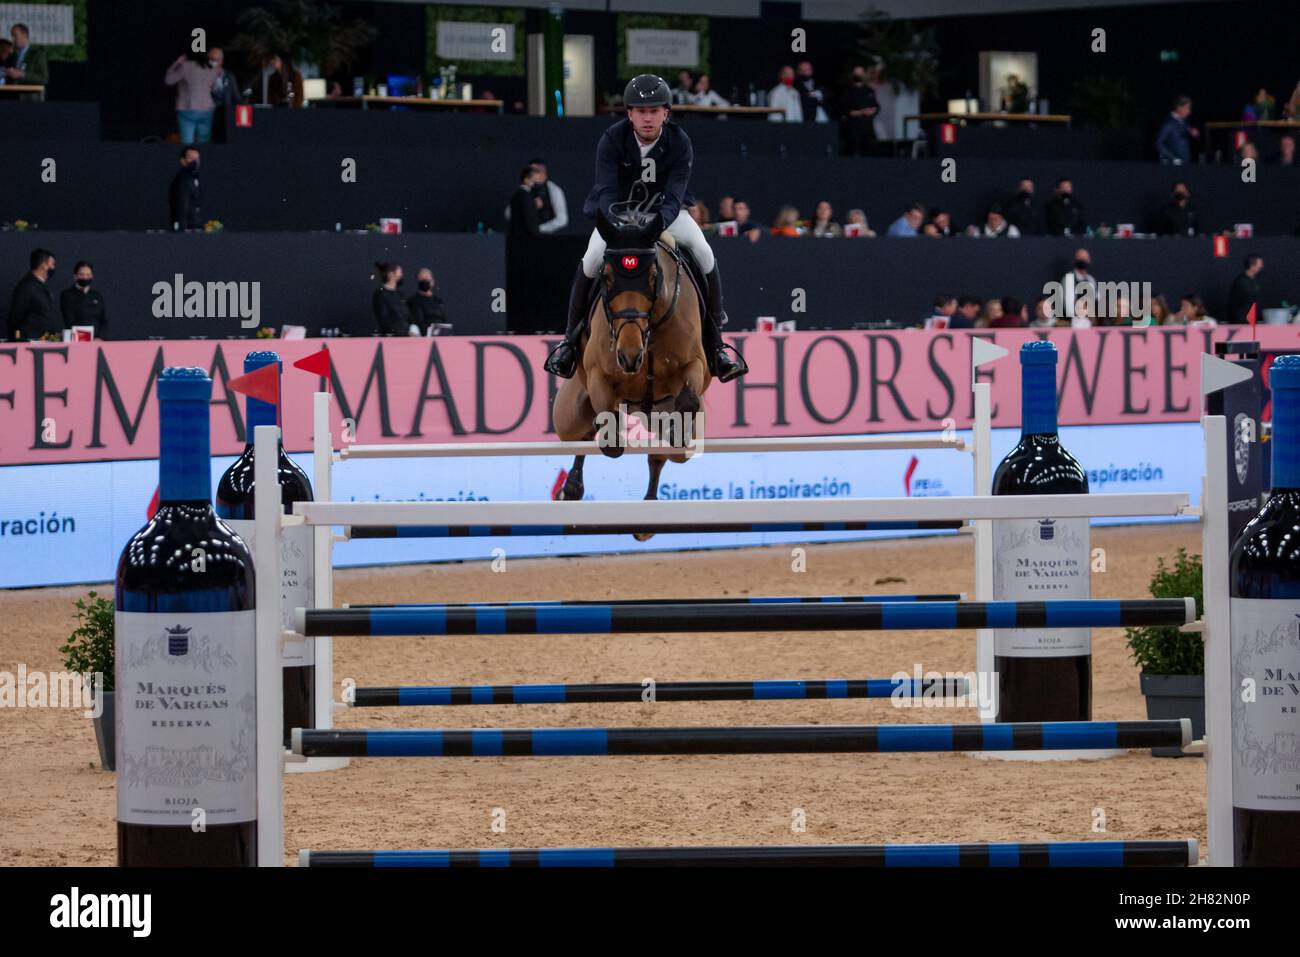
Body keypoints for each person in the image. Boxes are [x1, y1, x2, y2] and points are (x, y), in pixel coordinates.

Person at [543, 74, 747, 383]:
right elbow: (606, 189)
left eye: (654, 111)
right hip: (621, 214)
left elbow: (675, 193)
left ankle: (717, 345)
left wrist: (655, 226)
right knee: (590, 260)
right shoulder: (612, 138)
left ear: (666, 112)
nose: (647, 118)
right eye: (640, 111)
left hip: (667, 214)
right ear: (629, 114)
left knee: (705, 253)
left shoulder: (679, 141)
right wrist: (617, 223)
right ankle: (568, 343)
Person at [502, 158, 569, 235]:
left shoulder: (554, 190)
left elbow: (562, 219)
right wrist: (529, 206)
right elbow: (508, 213)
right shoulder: (524, 190)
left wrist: (539, 229)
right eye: (529, 171)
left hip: (545, 237)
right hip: (522, 236)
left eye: (535, 171)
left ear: (544, 173)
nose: (531, 174)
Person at [6, 249, 59, 341]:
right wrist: (20, 340)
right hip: (30, 344)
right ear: (44, 265)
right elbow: (15, 317)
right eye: (52, 264)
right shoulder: (27, 286)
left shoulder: (39, 286)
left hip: (43, 341)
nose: (53, 268)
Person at [165, 51, 217, 144]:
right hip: (207, 108)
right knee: (204, 142)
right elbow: (215, 88)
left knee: (187, 142)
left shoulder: (186, 66)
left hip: (187, 107)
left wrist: (176, 63)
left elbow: (169, 80)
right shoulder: (212, 68)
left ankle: (189, 158)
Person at [840, 64, 880, 157]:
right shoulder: (847, 91)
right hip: (852, 130)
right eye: (856, 73)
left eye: (860, 73)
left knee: (869, 153)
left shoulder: (869, 91)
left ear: (864, 74)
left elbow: (876, 106)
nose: (858, 76)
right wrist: (861, 112)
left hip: (867, 129)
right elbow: (844, 110)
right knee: (851, 153)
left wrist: (873, 111)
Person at [60, 261, 108, 337]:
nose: (85, 278)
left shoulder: (97, 295)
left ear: (92, 276)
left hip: (96, 341)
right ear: (75, 276)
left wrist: (100, 337)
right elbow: (68, 320)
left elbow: (104, 320)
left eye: (88, 275)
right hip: (76, 340)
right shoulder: (67, 295)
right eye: (81, 275)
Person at [209, 46, 247, 144]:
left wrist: (245, 108)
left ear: (221, 61)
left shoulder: (229, 76)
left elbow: (236, 98)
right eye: (211, 60)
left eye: (217, 60)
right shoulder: (202, 75)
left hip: (226, 118)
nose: (214, 62)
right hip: (208, 117)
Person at [4, 23, 49, 90]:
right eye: (12, 36)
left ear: (24, 35)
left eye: (15, 36)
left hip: (30, 97)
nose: (12, 39)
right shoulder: (12, 55)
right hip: (12, 95)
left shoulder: (37, 54)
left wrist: (22, 75)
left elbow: (43, 79)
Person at [168, 146, 203, 231]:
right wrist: (182, 228)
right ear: (182, 161)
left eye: (197, 159)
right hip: (185, 229)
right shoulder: (182, 180)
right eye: (191, 158)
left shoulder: (194, 178)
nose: (195, 162)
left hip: (194, 227)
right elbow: (181, 205)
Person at [1156, 95, 1196, 165]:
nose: (1189, 111)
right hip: (1172, 166)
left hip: (1185, 164)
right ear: (1179, 108)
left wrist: (1191, 131)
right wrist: (1173, 158)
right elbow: (1159, 144)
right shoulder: (1169, 123)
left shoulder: (1184, 122)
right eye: (1187, 108)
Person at [407, 267, 449, 334]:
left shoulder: (438, 302)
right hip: (423, 339)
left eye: (427, 279)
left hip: (441, 337)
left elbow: (445, 321)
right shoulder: (413, 302)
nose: (425, 282)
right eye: (422, 280)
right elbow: (418, 322)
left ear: (433, 282)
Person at [371, 262, 408, 336]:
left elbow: (406, 315)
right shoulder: (380, 295)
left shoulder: (400, 294)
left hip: (405, 336)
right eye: (399, 272)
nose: (401, 275)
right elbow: (383, 318)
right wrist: (395, 332)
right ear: (391, 274)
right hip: (391, 338)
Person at [1226, 254, 1264, 324]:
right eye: (1260, 264)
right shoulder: (1241, 282)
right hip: (1242, 322)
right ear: (1252, 265)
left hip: (1252, 321)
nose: (1261, 266)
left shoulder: (1255, 281)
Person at [508, 164, 543, 238]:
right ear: (526, 179)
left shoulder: (517, 194)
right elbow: (529, 220)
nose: (535, 183)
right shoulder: (525, 196)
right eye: (533, 180)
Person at [1061, 247, 1095, 320]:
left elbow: (1095, 301)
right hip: (1072, 321)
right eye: (1081, 258)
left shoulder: (1091, 279)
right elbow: (1069, 305)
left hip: (1089, 320)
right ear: (1075, 260)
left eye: (1085, 258)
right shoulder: (1069, 278)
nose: (1083, 260)